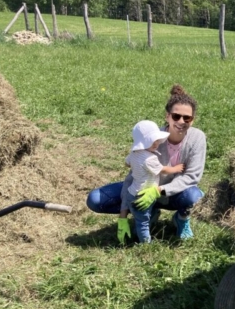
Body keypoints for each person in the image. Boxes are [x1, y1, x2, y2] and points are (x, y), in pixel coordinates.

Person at [86, 84, 206, 244]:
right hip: (143, 190)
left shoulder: (197, 138)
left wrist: (159, 191)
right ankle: (150, 211)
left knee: (195, 197)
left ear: (193, 120)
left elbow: (192, 176)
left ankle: (182, 218)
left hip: (174, 194)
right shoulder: (151, 139)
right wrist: (124, 211)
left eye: (187, 118)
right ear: (167, 116)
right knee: (95, 199)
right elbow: (133, 174)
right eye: (176, 116)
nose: (181, 121)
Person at [121, 120, 185, 243]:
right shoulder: (150, 158)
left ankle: (138, 228)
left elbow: (126, 163)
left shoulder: (134, 154)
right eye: (152, 141)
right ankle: (145, 244)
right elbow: (163, 170)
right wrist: (176, 168)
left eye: (157, 140)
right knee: (142, 223)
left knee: (140, 219)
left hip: (132, 192)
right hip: (142, 195)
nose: (156, 143)